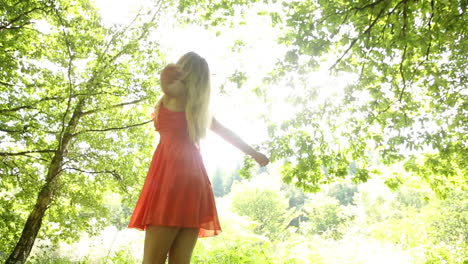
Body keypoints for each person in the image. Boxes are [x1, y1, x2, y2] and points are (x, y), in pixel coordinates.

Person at [128, 51, 269, 264]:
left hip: (171, 179)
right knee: (180, 261)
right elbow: (227, 133)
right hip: (194, 181)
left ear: (184, 71)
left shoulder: (176, 96)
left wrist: (167, 75)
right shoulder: (197, 108)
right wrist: (254, 153)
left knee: (152, 262)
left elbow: (168, 87)